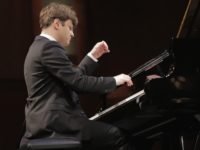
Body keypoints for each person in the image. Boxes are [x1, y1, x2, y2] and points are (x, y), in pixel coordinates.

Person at [19, 2, 134, 150]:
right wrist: (115, 80)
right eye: (70, 28)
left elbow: (71, 78)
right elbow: (78, 82)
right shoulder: (49, 47)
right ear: (56, 24)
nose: (72, 34)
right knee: (117, 135)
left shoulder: (39, 46)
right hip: (57, 123)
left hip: (48, 121)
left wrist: (92, 56)